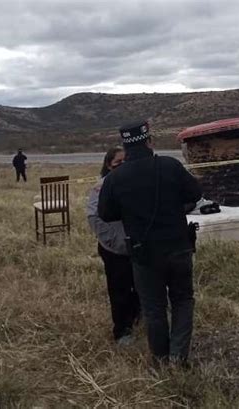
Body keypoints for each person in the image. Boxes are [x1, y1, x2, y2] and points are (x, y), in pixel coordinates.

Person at [98, 120, 202, 364]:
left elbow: (106, 214)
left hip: (143, 253)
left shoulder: (115, 178)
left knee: (154, 308)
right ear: (149, 141)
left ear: (125, 144)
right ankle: (178, 356)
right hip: (178, 247)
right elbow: (195, 194)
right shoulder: (170, 165)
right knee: (183, 300)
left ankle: (160, 358)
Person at [87, 147, 141, 346]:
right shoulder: (101, 187)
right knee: (120, 290)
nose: (123, 166)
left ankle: (138, 317)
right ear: (109, 165)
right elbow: (94, 217)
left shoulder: (138, 183)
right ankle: (122, 330)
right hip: (115, 249)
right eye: (118, 163)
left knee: (142, 285)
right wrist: (116, 242)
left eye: (126, 161)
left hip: (139, 245)